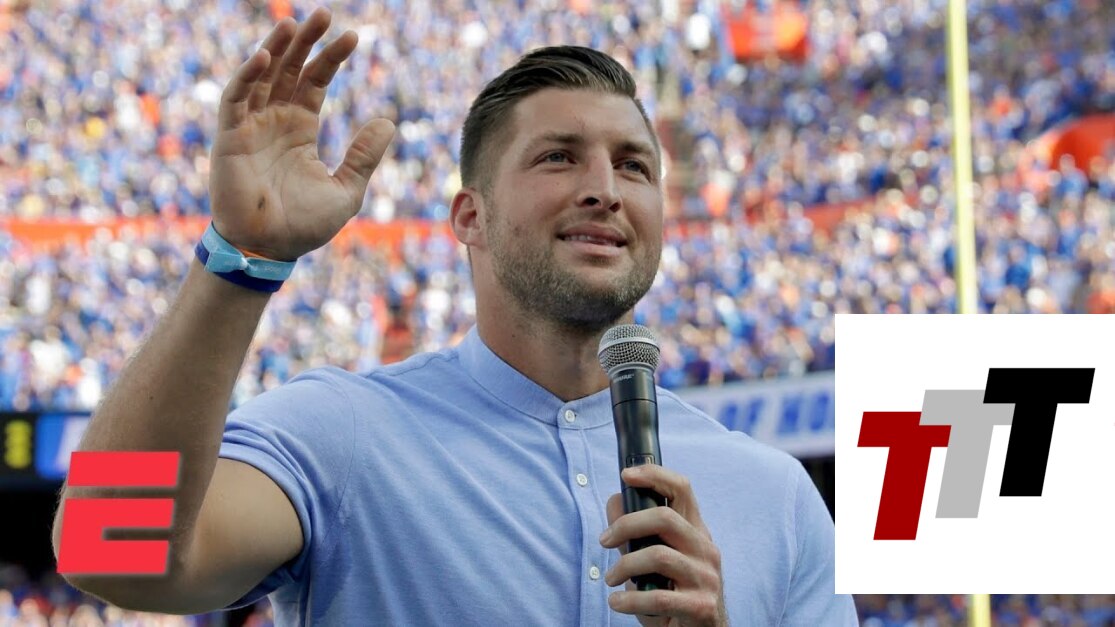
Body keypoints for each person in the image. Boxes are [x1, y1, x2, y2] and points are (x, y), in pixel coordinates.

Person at [53, 7, 857, 625]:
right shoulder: (344, 434)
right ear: (469, 217)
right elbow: (108, 547)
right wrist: (239, 257)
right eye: (558, 156)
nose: (605, 189)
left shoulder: (775, 495)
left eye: (633, 165)